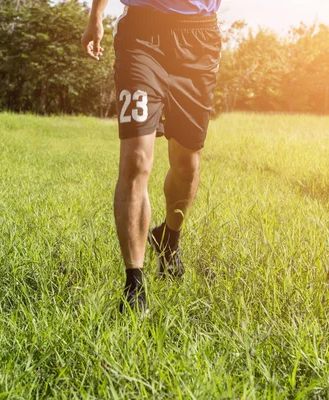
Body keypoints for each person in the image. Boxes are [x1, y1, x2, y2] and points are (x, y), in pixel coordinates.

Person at [81, 0, 222, 312]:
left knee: (187, 162)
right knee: (136, 159)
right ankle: (134, 286)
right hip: (141, 36)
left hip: (199, 39)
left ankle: (168, 239)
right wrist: (96, 15)